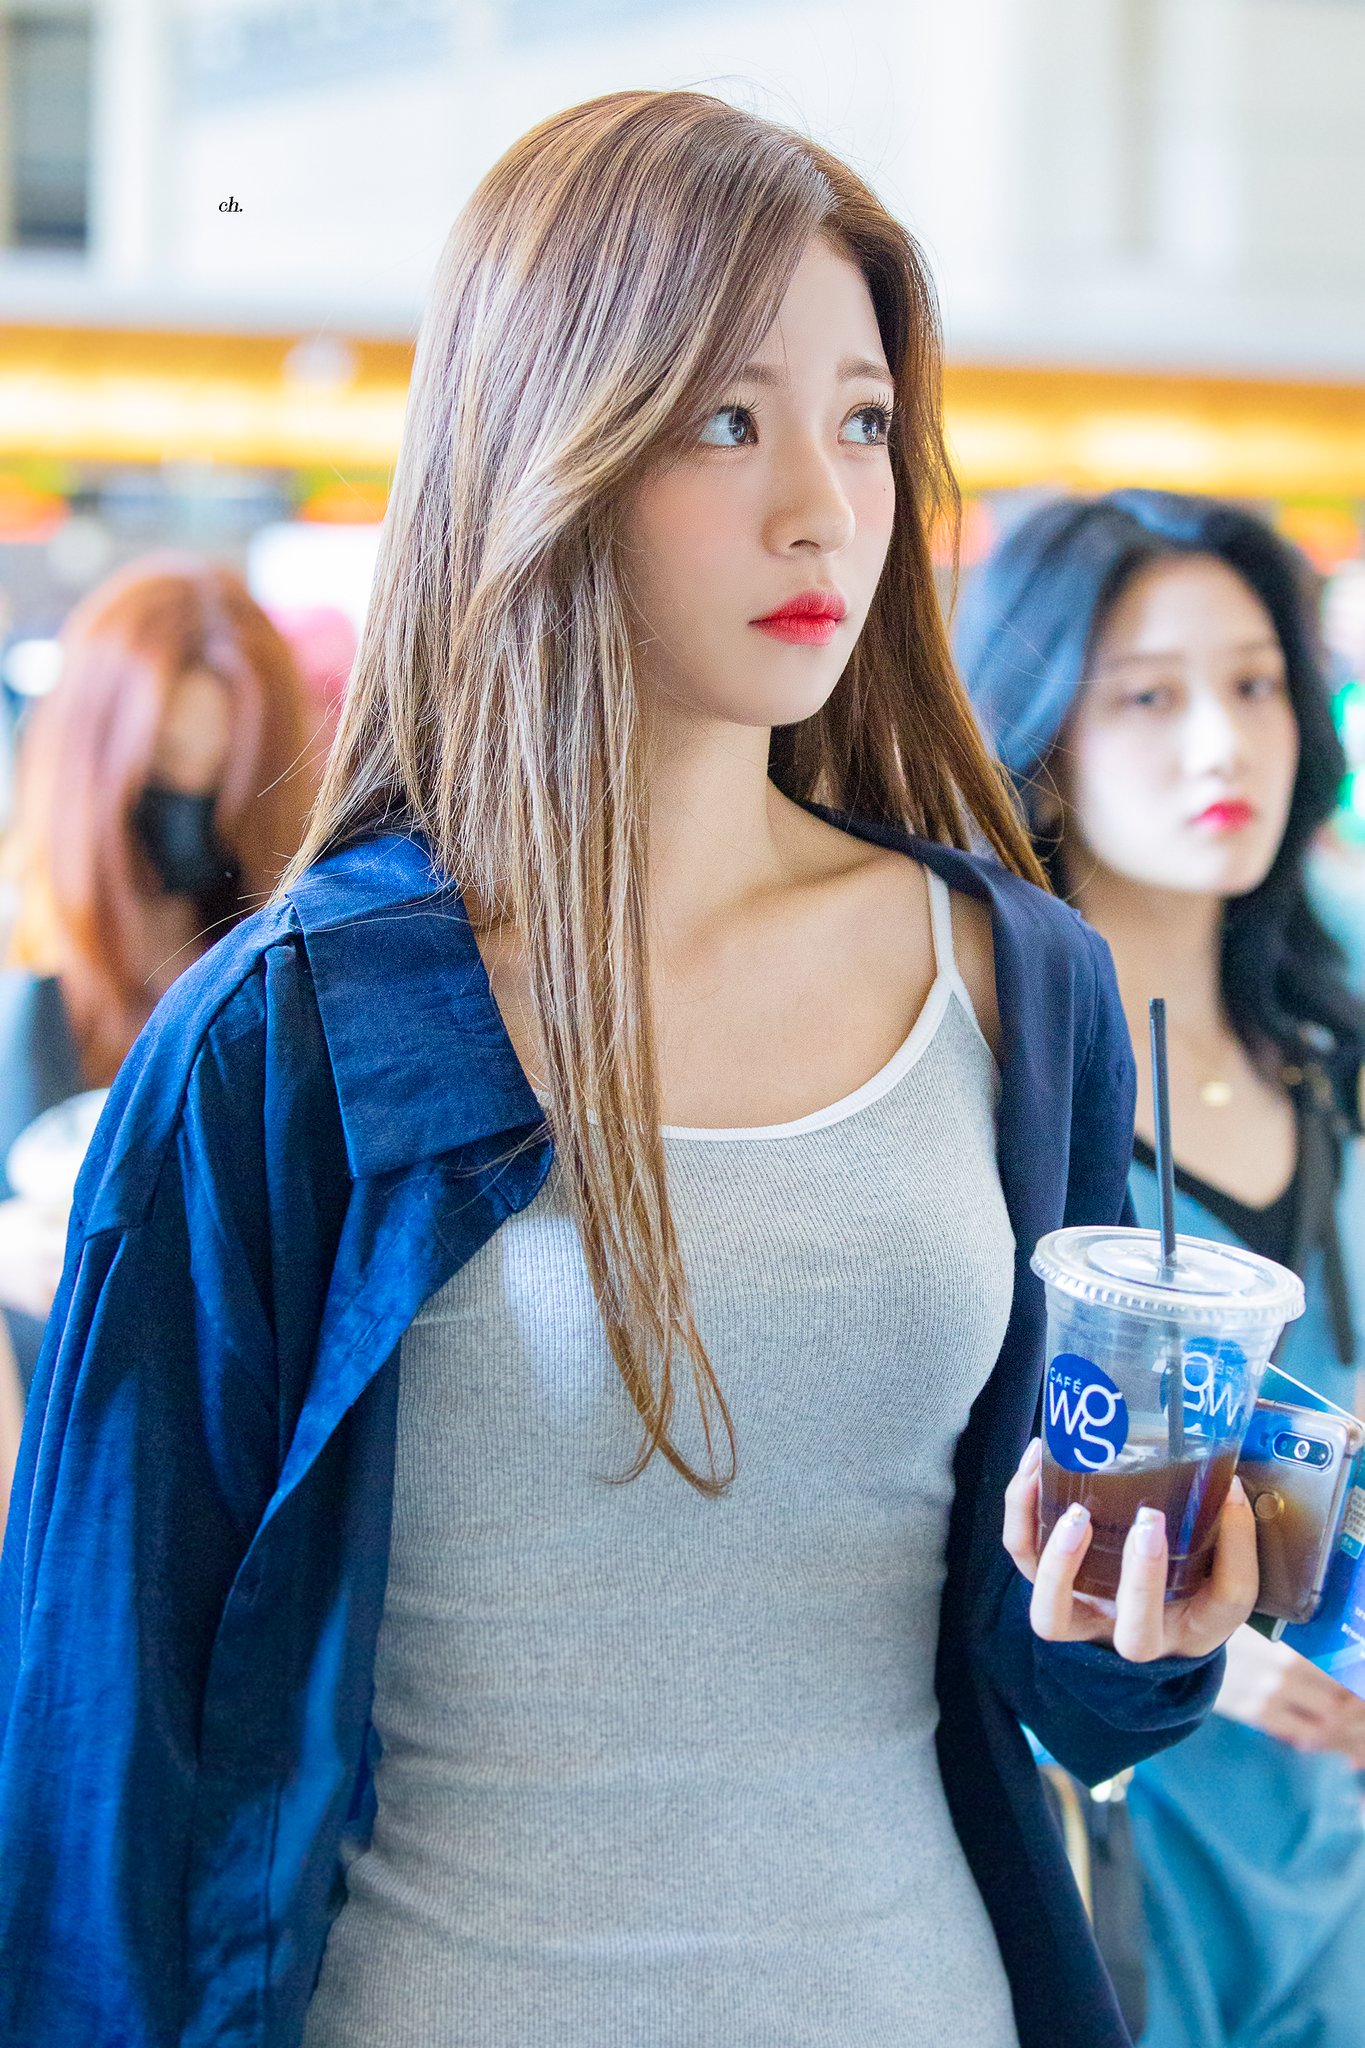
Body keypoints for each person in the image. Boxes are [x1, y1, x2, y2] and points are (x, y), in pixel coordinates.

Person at [0, 97, 1259, 2048]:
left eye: (862, 421)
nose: (820, 507)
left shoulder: (1017, 983)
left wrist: (1146, 1626)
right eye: (727, 420)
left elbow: (1047, 1665)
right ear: (553, 442)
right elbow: (101, 1742)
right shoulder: (304, 1028)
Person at [960, 487, 1365, 2048]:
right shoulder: (988, 1085)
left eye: (1255, 683)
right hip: (1109, 1805)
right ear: (1043, 730)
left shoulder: (1329, 1049)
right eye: (1146, 696)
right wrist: (1210, 1648)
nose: (1221, 745)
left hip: (1326, 1825)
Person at [0, 555, 319, 1514]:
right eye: (160, 777)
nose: (182, 824)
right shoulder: (22, 978)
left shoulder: (288, 997)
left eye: (214, 790)